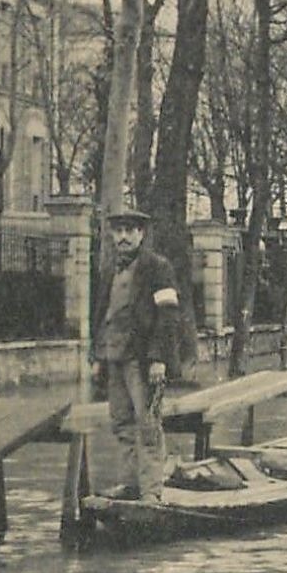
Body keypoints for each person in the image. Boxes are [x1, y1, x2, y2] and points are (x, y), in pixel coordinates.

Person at [90, 206, 181, 503]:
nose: (124, 237)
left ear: (141, 234)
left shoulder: (157, 267)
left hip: (142, 360)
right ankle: (129, 484)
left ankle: (151, 491)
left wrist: (158, 358)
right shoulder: (109, 270)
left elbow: (167, 316)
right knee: (121, 423)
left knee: (148, 423)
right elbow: (102, 315)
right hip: (113, 357)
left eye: (130, 231)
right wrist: (97, 356)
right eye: (119, 231)